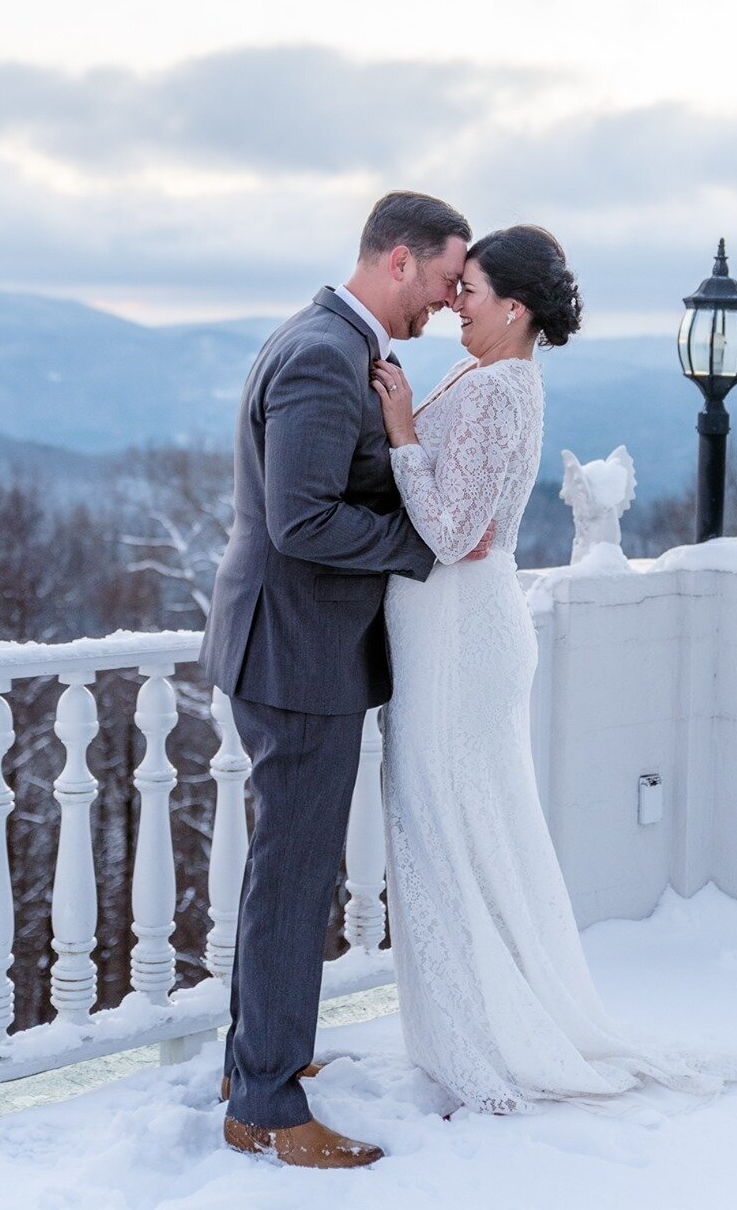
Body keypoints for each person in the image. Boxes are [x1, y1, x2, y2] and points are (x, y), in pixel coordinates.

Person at [372, 225, 737, 1114]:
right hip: (455, 625)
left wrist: (397, 430)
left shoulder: (500, 386)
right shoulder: (493, 373)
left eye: (469, 288)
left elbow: (455, 532)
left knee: (451, 824)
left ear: (515, 307)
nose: (454, 299)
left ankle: (483, 1038)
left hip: (462, 633)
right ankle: (475, 1024)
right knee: (455, 820)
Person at [198, 190, 474, 1168]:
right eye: (444, 280)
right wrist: (421, 544)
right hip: (294, 654)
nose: (447, 303)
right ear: (398, 260)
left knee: (289, 870)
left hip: (292, 650)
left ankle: (258, 1064)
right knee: (295, 876)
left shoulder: (332, 344)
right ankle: (268, 1105)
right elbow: (301, 520)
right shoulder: (323, 356)